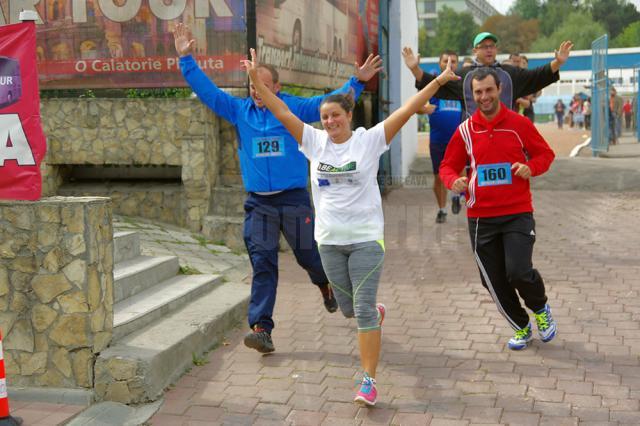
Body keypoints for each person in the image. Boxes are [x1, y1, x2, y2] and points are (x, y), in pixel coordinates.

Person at [244, 48, 459, 404]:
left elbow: (406, 110)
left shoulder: (369, 140)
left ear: (349, 115)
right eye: (325, 117)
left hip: (365, 240)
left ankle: (368, 381)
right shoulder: (312, 142)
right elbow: (281, 110)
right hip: (328, 242)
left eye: (335, 116)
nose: (329, 122)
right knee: (347, 308)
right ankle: (374, 314)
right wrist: (255, 81)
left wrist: (437, 80)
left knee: (360, 310)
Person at [173, 23, 383, 353]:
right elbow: (208, 92)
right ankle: (262, 328)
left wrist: (356, 81)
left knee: (310, 257)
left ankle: (326, 284)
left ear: (277, 87)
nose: (257, 91)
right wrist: (186, 57)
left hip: (294, 200)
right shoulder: (239, 111)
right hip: (259, 205)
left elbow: (325, 106)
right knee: (263, 263)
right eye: (253, 84)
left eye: (264, 85)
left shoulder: (290, 108)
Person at [439, 68, 557, 351]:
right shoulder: (465, 131)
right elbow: (447, 166)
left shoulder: (519, 124)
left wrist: (532, 167)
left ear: (499, 90)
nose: (484, 97)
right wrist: (453, 180)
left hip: (517, 212)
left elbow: (545, 154)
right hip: (480, 217)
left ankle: (540, 309)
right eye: (478, 92)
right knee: (490, 279)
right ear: (473, 95)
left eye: (489, 90)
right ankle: (521, 326)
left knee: (518, 271)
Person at [402, 32, 573, 118]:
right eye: (484, 46)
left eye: (492, 45)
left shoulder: (509, 73)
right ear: (475, 50)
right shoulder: (464, 75)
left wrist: (558, 62)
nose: (489, 49)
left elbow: (537, 76)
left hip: (505, 134)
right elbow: (434, 85)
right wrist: (414, 70)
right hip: (474, 136)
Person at [411, 50, 463, 223]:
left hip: (459, 140)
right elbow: (415, 106)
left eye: (454, 61)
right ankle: (442, 210)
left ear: (458, 64)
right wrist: (424, 109)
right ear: (440, 63)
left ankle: (457, 196)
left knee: (461, 172)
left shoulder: (461, 86)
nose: (450, 63)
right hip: (438, 141)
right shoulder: (433, 86)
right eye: (446, 60)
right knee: (439, 177)